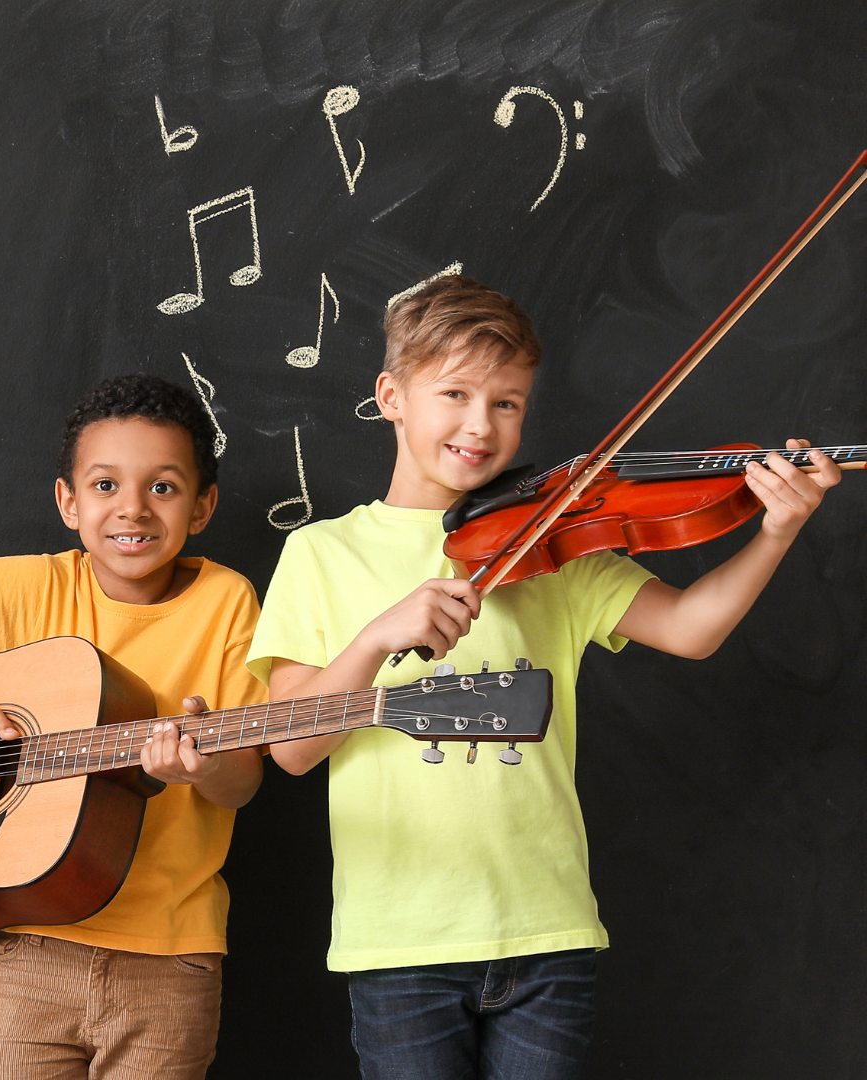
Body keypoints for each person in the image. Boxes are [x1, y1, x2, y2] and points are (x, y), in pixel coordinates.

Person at [246, 275, 841, 1080]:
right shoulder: (321, 553)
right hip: (400, 938)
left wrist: (777, 531)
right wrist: (377, 637)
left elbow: (691, 630)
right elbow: (290, 749)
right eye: (454, 393)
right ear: (392, 395)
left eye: (507, 404)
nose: (479, 425)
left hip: (546, 929)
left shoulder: (550, 545)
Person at [0, 374, 266, 1080]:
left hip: (172, 955)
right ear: (67, 501)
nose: (133, 510)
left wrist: (202, 765)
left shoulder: (227, 601)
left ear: (203, 506)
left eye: (163, 487)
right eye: (104, 486)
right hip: (28, 943)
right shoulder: (36, 588)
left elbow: (242, 781)